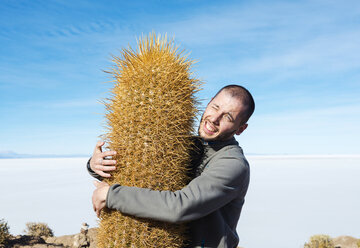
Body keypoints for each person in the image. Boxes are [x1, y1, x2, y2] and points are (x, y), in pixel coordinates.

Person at [88, 84, 255, 248]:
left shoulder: (233, 164)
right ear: (209, 102)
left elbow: (180, 206)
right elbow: (143, 172)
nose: (214, 118)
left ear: (241, 128)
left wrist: (112, 195)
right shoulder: (188, 144)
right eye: (215, 107)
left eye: (228, 117)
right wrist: (96, 165)